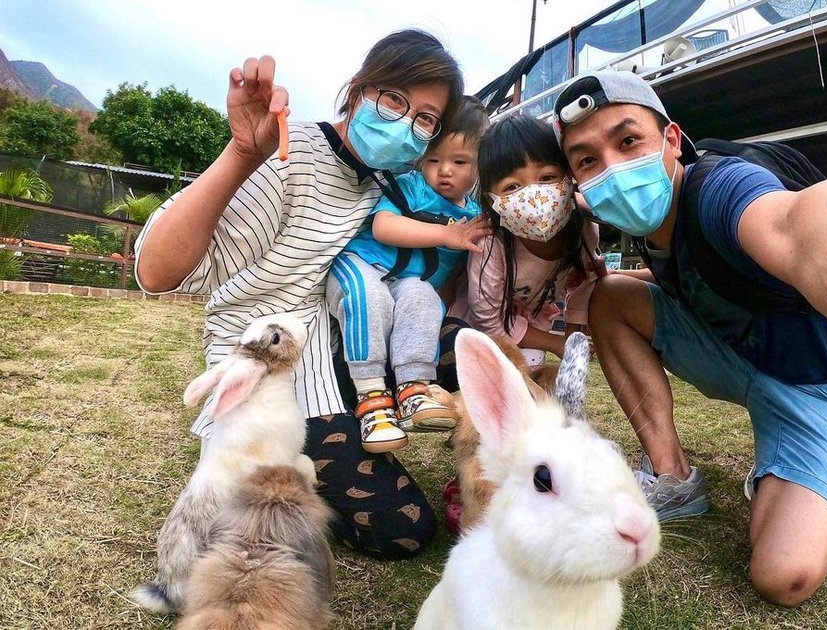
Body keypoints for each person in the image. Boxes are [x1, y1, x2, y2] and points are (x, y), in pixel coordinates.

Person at [552, 68, 827, 606]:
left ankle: (790, 469)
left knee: (782, 575)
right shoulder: (651, 232)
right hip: (736, 360)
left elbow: (797, 226)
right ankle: (673, 476)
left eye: (628, 141)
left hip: (813, 385)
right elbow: (685, 273)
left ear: (671, 140)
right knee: (612, 295)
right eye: (588, 160)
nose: (613, 169)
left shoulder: (720, 189)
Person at [134, 29, 465, 560]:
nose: (406, 122)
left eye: (425, 118)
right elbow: (157, 272)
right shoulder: (290, 153)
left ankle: (499, 484)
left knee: (467, 347)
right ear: (359, 91)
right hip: (277, 366)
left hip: (343, 337)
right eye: (394, 99)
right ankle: (262, 466)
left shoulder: (388, 182)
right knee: (402, 530)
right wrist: (242, 153)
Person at [326, 96, 489, 453]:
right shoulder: (411, 185)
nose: (444, 171)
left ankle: (414, 387)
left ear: (479, 166)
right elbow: (384, 226)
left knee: (423, 297)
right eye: (433, 160)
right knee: (368, 295)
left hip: (407, 284)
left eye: (459, 162)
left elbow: (451, 278)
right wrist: (447, 235)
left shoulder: (476, 215)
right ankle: (371, 396)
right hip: (363, 263)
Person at [448, 115, 603, 371]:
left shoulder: (584, 229)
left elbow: (584, 286)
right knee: (512, 373)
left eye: (546, 178)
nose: (535, 198)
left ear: (569, 176)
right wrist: (554, 343)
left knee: (532, 367)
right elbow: (487, 320)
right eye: (512, 187)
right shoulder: (490, 242)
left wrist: (572, 341)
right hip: (477, 329)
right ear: (491, 198)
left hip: (529, 319)